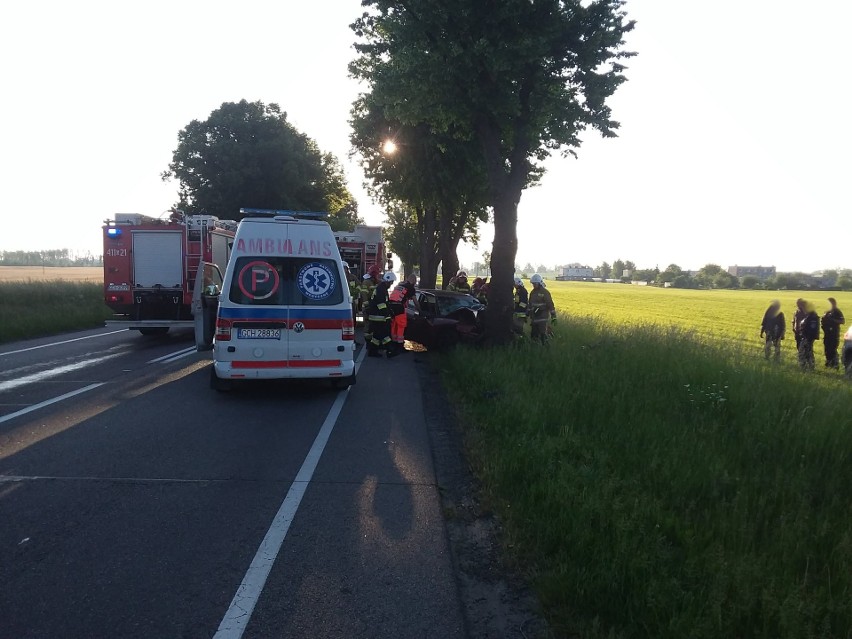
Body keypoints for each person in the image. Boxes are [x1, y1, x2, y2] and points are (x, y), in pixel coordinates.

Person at [387, 273, 420, 357]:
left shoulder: (400, 285)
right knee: (401, 326)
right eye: (415, 281)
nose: (415, 283)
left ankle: (393, 343)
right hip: (399, 307)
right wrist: (420, 309)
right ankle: (400, 346)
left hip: (390, 306)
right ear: (413, 280)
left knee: (394, 325)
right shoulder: (410, 287)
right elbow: (415, 301)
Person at [366, 271, 395, 357]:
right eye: (391, 282)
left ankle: (372, 352)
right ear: (388, 281)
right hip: (377, 316)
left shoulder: (382, 288)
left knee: (377, 335)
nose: (391, 284)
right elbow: (381, 304)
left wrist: (389, 311)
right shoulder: (381, 289)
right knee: (383, 333)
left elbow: (385, 303)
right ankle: (390, 349)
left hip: (377, 315)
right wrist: (387, 315)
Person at [527, 273, 556, 343]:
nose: (534, 285)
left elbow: (550, 304)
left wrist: (553, 316)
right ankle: (535, 348)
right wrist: (527, 313)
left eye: (535, 284)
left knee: (543, 334)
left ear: (539, 283)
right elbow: (530, 304)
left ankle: (546, 347)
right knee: (534, 335)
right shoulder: (532, 293)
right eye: (533, 284)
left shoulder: (545, 292)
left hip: (543, 316)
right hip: (534, 317)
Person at [821, 297, 845, 369]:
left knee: (832, 350)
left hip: (834, 334)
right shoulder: (827, 312)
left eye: (831, 303)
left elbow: (842, 321)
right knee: (827, 349)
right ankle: (828, 364)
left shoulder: (837, 312)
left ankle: (835, 365)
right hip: (827, 334)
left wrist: (833, 320)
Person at [797, 300, 820, 371]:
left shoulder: (812, 317)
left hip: (808, 337)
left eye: (803, 307)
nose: (802, 309)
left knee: (805, 352)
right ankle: (808, 366)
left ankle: (807, 367)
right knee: (807, 351)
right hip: (805, 337)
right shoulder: (809, 316)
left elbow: (812, 329)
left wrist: (808, 338)